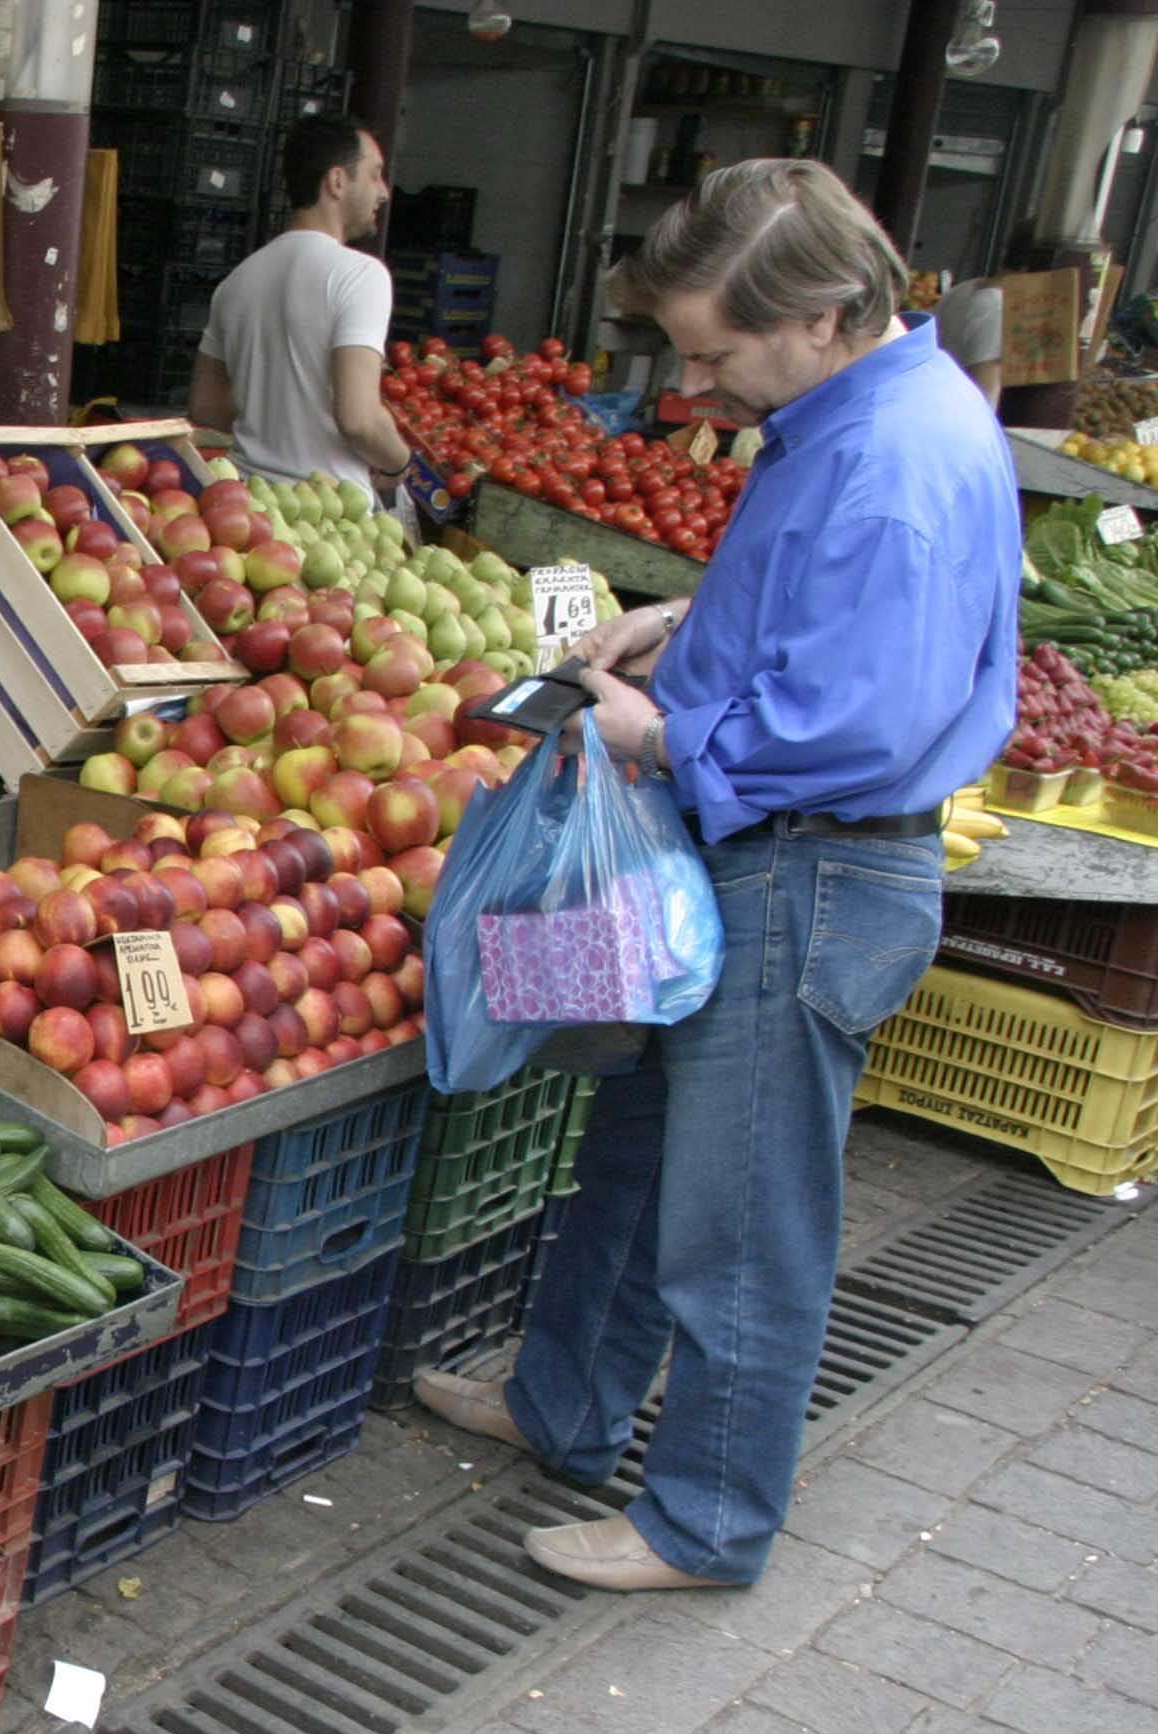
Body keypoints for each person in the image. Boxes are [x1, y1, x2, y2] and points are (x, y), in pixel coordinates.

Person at [416, 160, 1017, 1592]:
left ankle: (708, 1521)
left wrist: (659, 730)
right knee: (637, 1159)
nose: (694, 386)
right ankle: (564, 1403)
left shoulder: (894, 468)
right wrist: (681, 622)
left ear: (815, 310)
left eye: (713, 352)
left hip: (810, 875)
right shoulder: (852, 418)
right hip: (755, 859)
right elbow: (821, 619)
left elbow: (852, 720)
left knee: (742, 1218)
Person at [188, 115, 406, 493]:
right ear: (337, 182)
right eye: (374, 174)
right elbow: (359, 419)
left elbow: (206, 407)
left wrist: (272, 413)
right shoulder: (361, 276)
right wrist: (399, 464)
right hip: (327, 514)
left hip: (246, 501)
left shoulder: (236, 281)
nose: (384, 192)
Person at [933, 273, 1004, 407]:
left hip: (937, 401)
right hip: (958, 412)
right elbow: (985, 398)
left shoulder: (961, 289)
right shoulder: (999, 308)